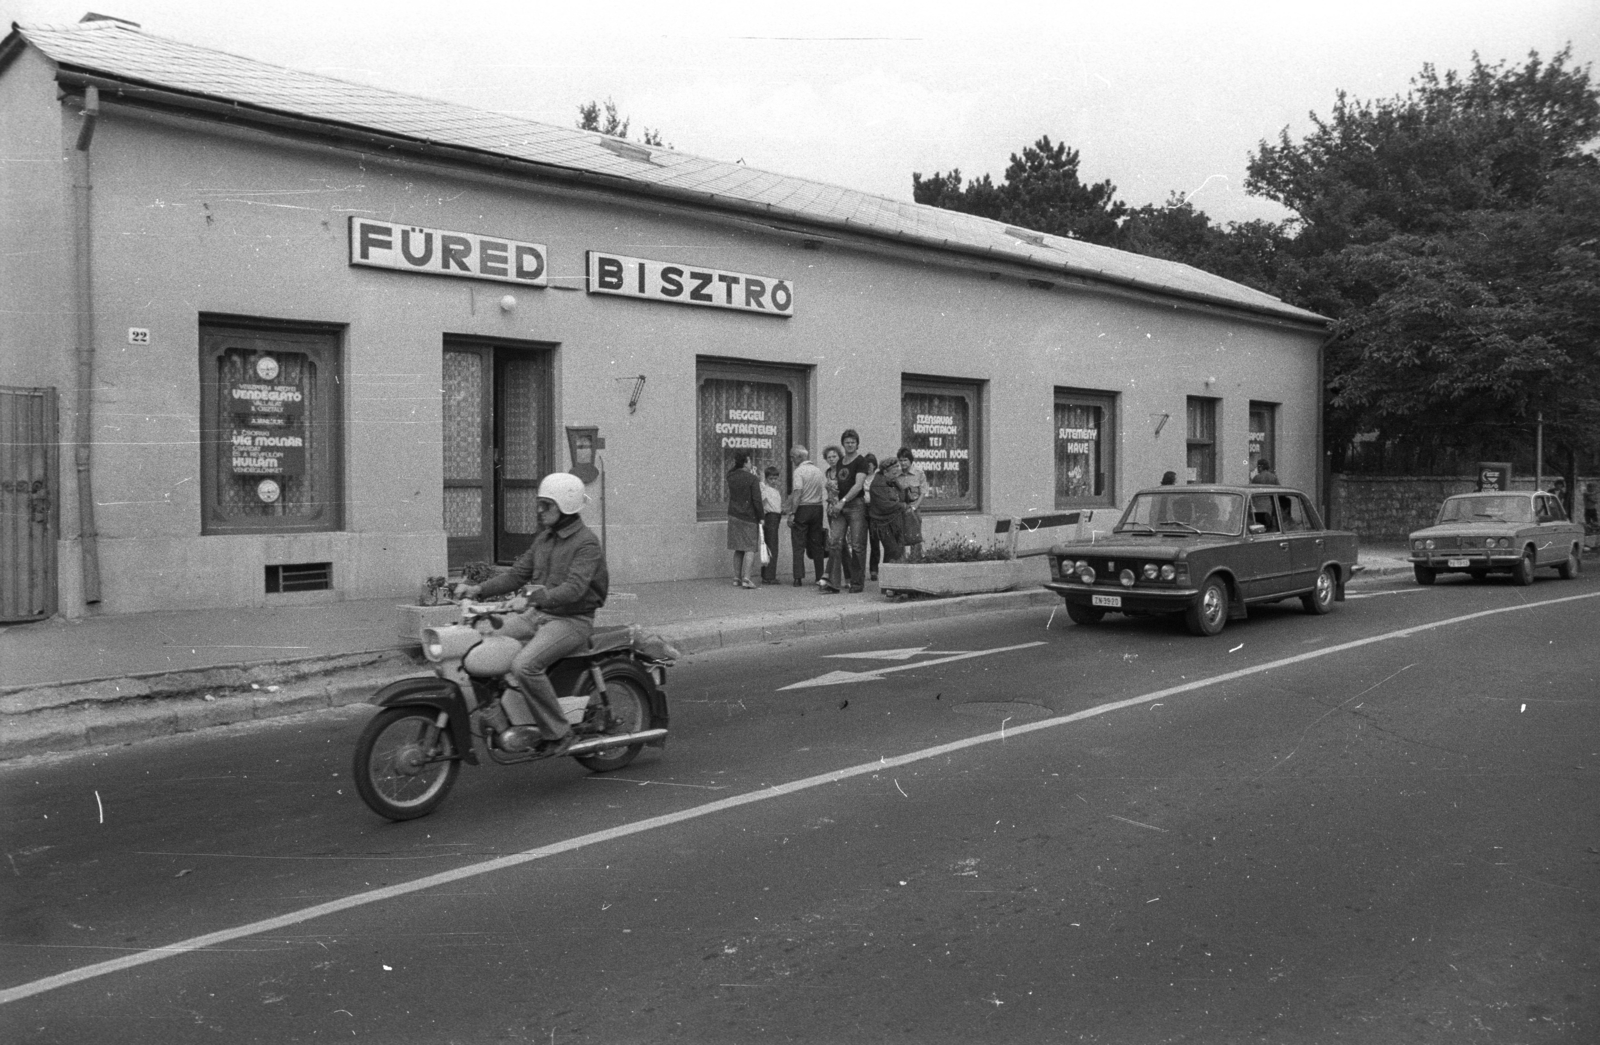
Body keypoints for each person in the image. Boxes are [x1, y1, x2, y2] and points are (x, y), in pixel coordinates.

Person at [454, 472, 607, 754]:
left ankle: (560, 733)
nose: (539, 511)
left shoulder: (586, 543)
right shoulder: (544, 540)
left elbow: (574, 589)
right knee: (483, 645)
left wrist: (538, 598)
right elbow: (516, 575)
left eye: (546, 505)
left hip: (572, 620)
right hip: (539, 615)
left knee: (525, 665)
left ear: (566, 506)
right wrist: (477, 590)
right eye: (540, 504)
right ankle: (502, 716)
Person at [836, 429, 872, 593]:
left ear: (857, 444)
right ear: (843, 444)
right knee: (835, 542)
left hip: (855, 504)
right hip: (840, 505)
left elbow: (858, 485)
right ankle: (834, 581)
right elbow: (838, 483)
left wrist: (843, 501)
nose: (849, 444)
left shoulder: (861, 461)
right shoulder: (840, 462)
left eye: (852, 442)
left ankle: (857, 583)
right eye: (847, 442)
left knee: (857, 545)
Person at [787, 445, 827, 587]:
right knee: (817, 544)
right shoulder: (817, 471)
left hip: (803, 508)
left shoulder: (799, 472)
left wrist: (792, 512)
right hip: (817, 508)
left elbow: (798, 493)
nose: (791, 459)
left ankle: (798, 577)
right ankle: (819, 575)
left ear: (799, 457)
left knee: (798, 544)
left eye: (792, 456)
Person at [726, 451, 764, 590]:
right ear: (745, 462)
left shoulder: (731, 476)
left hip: (734, 514)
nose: (751, 464)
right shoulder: (752, 478)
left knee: (738, 547)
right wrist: (761, 517)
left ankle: (736, 578)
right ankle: (747, 578)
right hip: (749, 516)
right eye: (749, 461)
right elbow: (757, 500)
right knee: (749, 548)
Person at [866, 453, 906, 566]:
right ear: (885, 472)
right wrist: (901, 506)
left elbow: (902, 496)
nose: (896, 475)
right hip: (882, 523)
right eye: (893, 473)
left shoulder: (891, 481)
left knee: (894, 552)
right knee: (894, 551)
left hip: (893, 521)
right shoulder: (877, 485)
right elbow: (884, 505)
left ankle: (890, 577)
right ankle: (890, 577)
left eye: (897, 472)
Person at [820, 444, 847, 593]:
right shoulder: (828, 472)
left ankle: (827, 574)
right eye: (829, 457)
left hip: (842, 508)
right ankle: (846, 577)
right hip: (831, 508)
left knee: (836, 542)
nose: (831, 459)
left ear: (839, 456)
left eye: (834, 456)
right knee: (838, 543)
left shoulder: (843, 471)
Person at [894, 447, 925, 561]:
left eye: (905, 460)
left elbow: (923, 492)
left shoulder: (919, 472)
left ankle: (915, 561)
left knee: (915, 537)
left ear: (910, 460)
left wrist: (915, 506)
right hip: (901, 509)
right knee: (900, 537)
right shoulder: (896, 474)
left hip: (914, 508)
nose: (903, 463)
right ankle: (901, 562)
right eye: (901, 460)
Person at [759, 465, 783, 584]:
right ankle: (769, 576)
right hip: (770, 517)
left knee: (771, 546)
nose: (773, 481)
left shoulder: (775, 491)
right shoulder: (765, 490)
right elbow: (761, 503)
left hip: (776, 517)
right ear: (766, 479)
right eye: (771, 479)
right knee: (772, 546)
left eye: (775, 478)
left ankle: (766, 574)